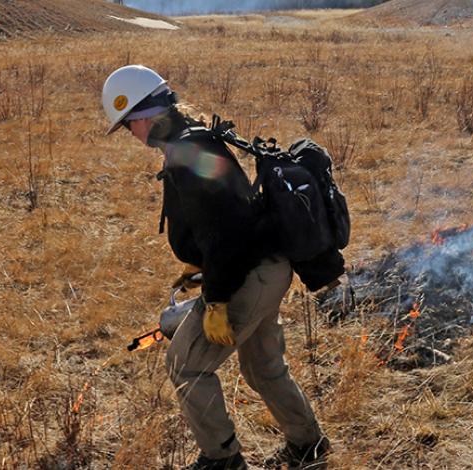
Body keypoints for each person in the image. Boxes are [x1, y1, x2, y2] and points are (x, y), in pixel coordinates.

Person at [102, 65, 330, 470]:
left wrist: (217, 300)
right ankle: (308, 443)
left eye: (127, 126)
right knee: (263, 367)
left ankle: (222, 460)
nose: (130, 135)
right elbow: (224, 217)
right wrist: (199, 263)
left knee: (185, 364)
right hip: (268, 268)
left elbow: (227, 231)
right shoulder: (193, 140)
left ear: (143, 115)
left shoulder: (188, 153)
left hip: (247, 277)